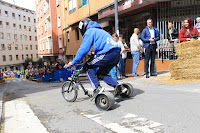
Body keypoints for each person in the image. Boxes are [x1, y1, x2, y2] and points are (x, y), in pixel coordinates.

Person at [68, 18, 122, 99]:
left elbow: (84, 49)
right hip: (116, 54)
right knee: (101, 74)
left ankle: (97, 88)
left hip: (107, 54)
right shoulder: (101, 31)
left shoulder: (90, 31)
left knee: (88, 66)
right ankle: (118, 86)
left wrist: (74, 61)